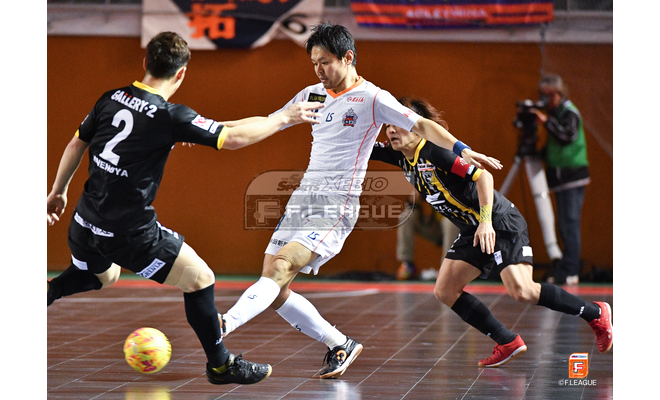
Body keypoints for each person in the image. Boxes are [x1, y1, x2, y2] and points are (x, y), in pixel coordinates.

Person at [218, 23, 503, 379]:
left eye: (325, 62)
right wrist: (211, 128)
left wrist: (462, 149)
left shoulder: (372, 98)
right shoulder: (313, 94)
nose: (318, 70)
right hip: (303, 198)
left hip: (336, 204)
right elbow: (268, 121)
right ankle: (340, 343)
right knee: (274, 289)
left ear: (347, 57)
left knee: (280, 269)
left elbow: (422, 126)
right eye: (314, 63)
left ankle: (222, 325)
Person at [46, 31, 324, 385]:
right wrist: (286, 118)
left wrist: (57, 191)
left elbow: (76, 143)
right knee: (200, 279)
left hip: (84, 223)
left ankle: (52, 289)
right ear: (181, 73)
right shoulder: (169, 116)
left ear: (145, 62)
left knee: (107, 275)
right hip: (130, 234)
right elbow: (232, 138)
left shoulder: (111, 99)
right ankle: (221, 365)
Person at [369, 96, 612, 367]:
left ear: (418, 127)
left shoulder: (435, 151)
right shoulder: (399, 155)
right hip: (472, 229)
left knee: (523, 291)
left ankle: (595, 313)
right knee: (445, 290)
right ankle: (506, 341)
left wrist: (486, 223)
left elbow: (483, 176)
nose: (392, 130)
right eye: (388, 124)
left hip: (499, 221)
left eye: (399, 122)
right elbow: (357, 147)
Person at [531, 74, 590, 285]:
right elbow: (555, 147)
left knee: (570, 224)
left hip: (572, 177)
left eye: (551, 95)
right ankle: (566, 269)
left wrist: (546, 122)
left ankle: (571, 270)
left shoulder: (569, 112)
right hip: (561, 178)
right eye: (544, 95)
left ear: (559, 93)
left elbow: (567, 136)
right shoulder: (556, 114)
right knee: (564, 226)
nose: (547, 100)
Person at [395, 193, 459, 280]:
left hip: (454, 227)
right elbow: (411, 204)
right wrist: (415, 197)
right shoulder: (426, 184)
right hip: (434, 226)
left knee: (450, 223)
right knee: (407, 215)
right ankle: (407, 264)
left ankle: (446, 268)